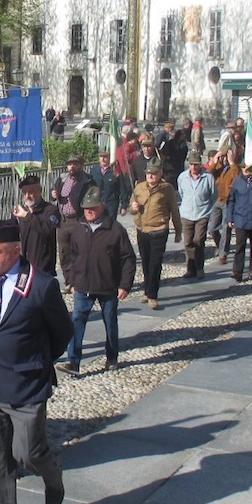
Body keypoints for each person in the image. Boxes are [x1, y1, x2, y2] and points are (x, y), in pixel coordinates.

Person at [0, 220, 73, 504]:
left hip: (26, 386)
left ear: (16, 251)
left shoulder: (41, 286)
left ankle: (53, 477)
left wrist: (36, 362)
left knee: (28, 453)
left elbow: (62, 333)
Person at [57, 186, 136, 375]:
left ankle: (112, 357)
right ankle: (73, 361)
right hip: (83, 285)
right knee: (76, 321)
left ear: (102, 206)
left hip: (107, 285)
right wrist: (72, 281)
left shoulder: (115, 230)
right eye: (85, 208)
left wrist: (125, 285)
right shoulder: (79, 229)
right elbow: (72, 256)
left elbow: (128, 258)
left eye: (92, 208)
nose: (88, 211)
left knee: (110, 321)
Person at [129, 159, 180, 309]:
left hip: (159, 230)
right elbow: (131, 208)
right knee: (145, 262)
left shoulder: (167, 189)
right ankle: (147, 290)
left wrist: (178, 230)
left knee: (155, 264)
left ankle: (153, 295)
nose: (151, 176)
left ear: (160, 173)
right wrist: (133, 207)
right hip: (142, 230)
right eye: (148, 173)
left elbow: (174, 210)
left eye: (154, 173)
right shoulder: (139, 188)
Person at [52, 154, 93, 289]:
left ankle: (79, 280)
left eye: (75, 164)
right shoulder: (62, 179)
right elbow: (53, 194)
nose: (72, 167)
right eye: (70, 164)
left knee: (79, 252)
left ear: (81, 165)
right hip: (63, 220)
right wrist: (53, 195)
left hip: (78, 219)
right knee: (64, 253)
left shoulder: (87, 180)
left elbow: (93, 198)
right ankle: (69, 281)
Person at [176, 150, 215, 279]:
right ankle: (190, 268)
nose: (194, 167)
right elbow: (181, 193)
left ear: (200, 164)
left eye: (196, 164)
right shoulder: (182, 177)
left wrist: (208, 208)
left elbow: (214, 195)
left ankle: (199, 268)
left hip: (202, 213)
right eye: (191, 164)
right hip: (186, 213)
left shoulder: (208, 177)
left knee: (198, 240)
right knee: (187, 242)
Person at [12, 175, 60, 274]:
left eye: (31, 192)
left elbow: (46, 229)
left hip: (43, 267)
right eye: (24, 192)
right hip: (24, 266)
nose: (27, 196)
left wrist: (27, 216)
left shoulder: (50, 210)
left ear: (39, 191)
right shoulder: (21, 212)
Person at [226, 166, 252, 283]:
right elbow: (231, 201)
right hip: (240, 219)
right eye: (243, 168)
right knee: (240, 246)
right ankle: (237, 271)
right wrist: (230, 217)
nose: (245, 170)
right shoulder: (237, 181)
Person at [208, 148, 241, 264]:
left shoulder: (235, 168)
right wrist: (215, 161)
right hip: (217, 200)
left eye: (226, 156)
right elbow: (209, 174)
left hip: (229, 201)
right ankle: (220, 246)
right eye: (223, 157)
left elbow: (238, 178)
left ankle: (223, 253)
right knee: (212, 228)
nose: (225, 159)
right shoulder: (218, 168)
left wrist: (232, 163)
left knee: (226, 228)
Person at [89, 150, 125, 216]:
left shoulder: (116, 171)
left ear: (109, 158)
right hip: (96, 204)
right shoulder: (94, 170)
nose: (103, 159)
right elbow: (90, 188)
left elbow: (123, 189)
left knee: (110, 224)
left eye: (105, 157)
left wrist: (124, 206)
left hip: (111, 205)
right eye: (101, 156)